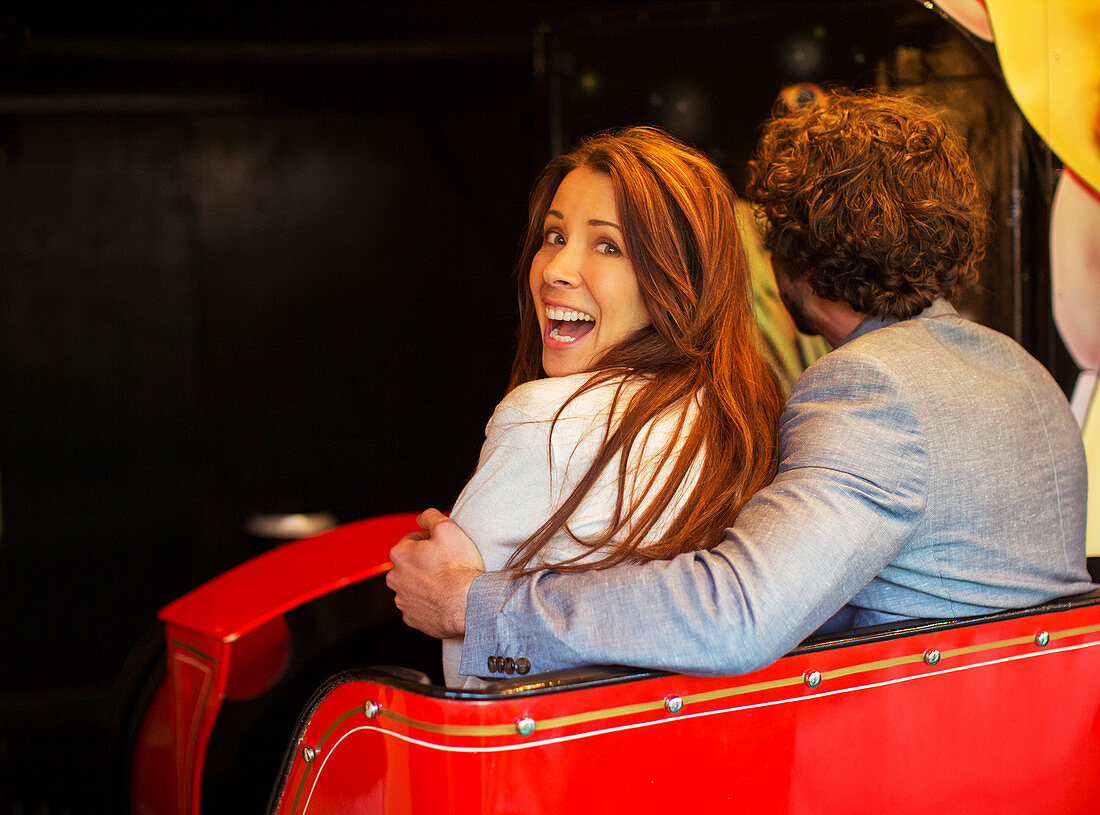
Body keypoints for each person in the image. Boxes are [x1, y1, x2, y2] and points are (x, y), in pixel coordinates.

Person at [388, 89, 1094, 680]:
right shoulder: (1020, 372)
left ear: (791, 247)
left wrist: (474, 603)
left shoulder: (869, 389)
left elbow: (738, 614)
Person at [423, 126, 783, 687]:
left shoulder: (548, 421)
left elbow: (471, 674)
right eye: (553, 235)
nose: (555, 270)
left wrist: (440, 593)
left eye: (607, 245)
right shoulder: (740, 413)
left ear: (678, 274)